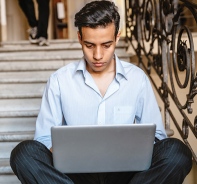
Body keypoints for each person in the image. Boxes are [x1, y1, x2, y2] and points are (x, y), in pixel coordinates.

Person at [10, 1, 192, 183]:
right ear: (80, 38)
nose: (98, 55)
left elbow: (158, 139)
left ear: (117, 37)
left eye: (106, 45)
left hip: (127, 173)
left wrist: (136, 149)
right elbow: (43, 141)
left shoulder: (138, 79)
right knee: (24, 154)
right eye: (89, 45)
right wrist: (65, 152)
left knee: (176, 152)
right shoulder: (59, 81)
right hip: (75, 175)